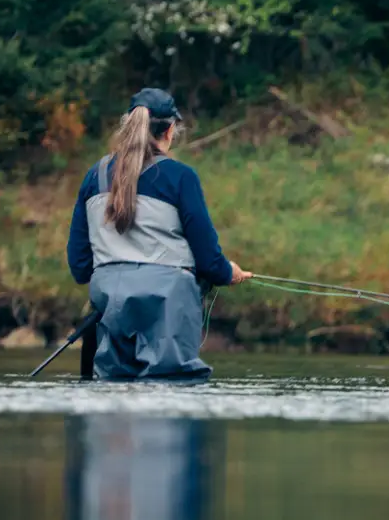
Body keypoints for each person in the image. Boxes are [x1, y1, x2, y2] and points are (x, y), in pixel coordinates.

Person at [67, 88, 251, 381]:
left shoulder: (94, 176)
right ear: (169, 131)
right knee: (172, 385)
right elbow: (208, 258)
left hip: (108, 299)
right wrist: (227, 272)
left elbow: (79, 266)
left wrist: (121, 279)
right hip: (168, 299)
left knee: (113, 392)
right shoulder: (181, 177)